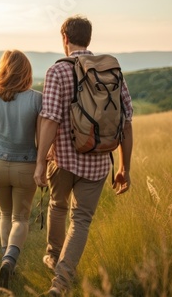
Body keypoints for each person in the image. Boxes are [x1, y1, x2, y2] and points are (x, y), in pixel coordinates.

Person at [34, 15, 133, 296]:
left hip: (63, 159)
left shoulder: (57, 71)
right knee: (81, 221)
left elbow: (50, 118)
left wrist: (40, 161)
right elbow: (126, 121)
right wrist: (125, 166)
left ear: (65, 38)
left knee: (58, 205)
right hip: (100, 160)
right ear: (89, 38)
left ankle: (53, 258)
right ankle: (61, 284)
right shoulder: (111, 70)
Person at [0, 50, 42, 290]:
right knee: (20, 218)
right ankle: (9, 261)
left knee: (5, 215)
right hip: (26, 166)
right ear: (27, 72)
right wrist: (43, 164)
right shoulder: (38, 99)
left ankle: (7, 265)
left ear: (3, 69)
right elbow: (40, 138)